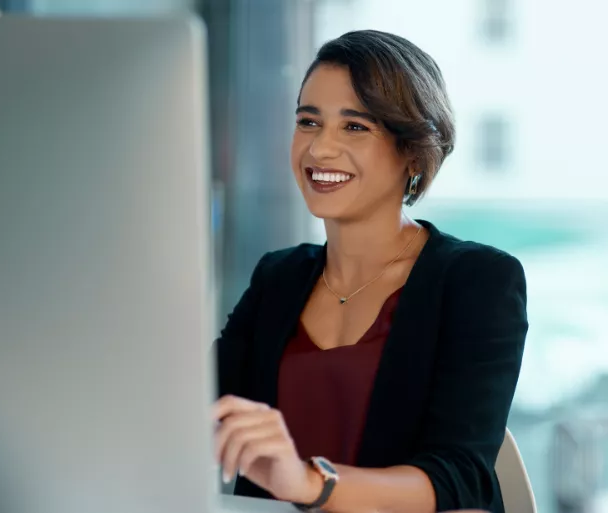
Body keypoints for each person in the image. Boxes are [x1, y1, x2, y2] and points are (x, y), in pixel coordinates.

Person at [212, 29, 528, 513]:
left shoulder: (479, 280)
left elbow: (459, 478)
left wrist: (308, 482)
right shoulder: (278, 278)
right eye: (308, 121)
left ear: (413, 150)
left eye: (354, 127)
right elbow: (197, 405)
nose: (319, 150)